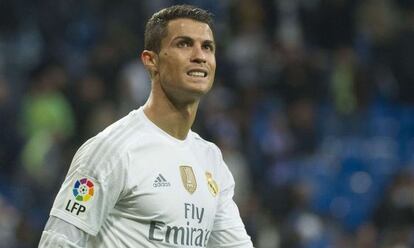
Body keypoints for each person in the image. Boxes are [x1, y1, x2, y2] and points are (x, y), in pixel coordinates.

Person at [38, 5, 254, 247]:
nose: (199, 56)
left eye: (207, 47)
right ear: (151, 61)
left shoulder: (211, 159)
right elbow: (58, 241)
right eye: (183, 44)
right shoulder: (112, 149)